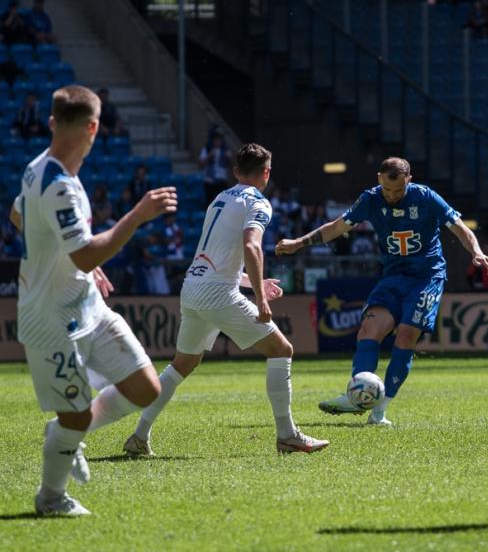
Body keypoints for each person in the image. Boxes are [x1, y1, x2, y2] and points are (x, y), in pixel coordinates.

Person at [12, 85, 178, 516]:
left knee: (146, 388)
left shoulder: (39, 168)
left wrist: (74, 256)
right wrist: (136, 216)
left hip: (87, 304)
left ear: (53, 122)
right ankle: (51, 498)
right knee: (76, 417)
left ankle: (66, 433)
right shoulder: (59, 184)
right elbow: (84, 250)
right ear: (94, 127)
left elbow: (18, 214)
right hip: (50, 320)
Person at [123, 143, 329, 456]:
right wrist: (260, 298)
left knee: (182, 365)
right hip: (217, 292)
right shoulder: (258, 202)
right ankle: (287, 435)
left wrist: (252, 282)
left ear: (235, 172)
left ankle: (139, 436)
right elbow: (252, 247)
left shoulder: (219, 199)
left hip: (193, 287)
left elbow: (214, 257)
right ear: (267, 173)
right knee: (281, 349)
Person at [276, 157, 488, 426]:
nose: (392, 196)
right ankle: (356, 395)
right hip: (393, 277)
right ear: (379, 179)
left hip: (426, 278)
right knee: (369, 330)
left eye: (399, 191)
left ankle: (379, 410)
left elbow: (461, 229)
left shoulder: (426, 198)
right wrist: (299, 243)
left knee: (405, 335)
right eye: (387, 190)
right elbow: (336, 227)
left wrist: (476, 251)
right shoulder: (370, 200)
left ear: (409, 181)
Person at [200, 133, 232, 205]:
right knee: (209, 202)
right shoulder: (207, 149)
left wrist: (228, 158)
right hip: (209, 180)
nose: (217, 142)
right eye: (216, 140)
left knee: (223, 201)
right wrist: (209, 156)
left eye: (219, 140)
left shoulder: (225, 150)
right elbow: (201, 164)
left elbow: (231, 166)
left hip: (222, 180)